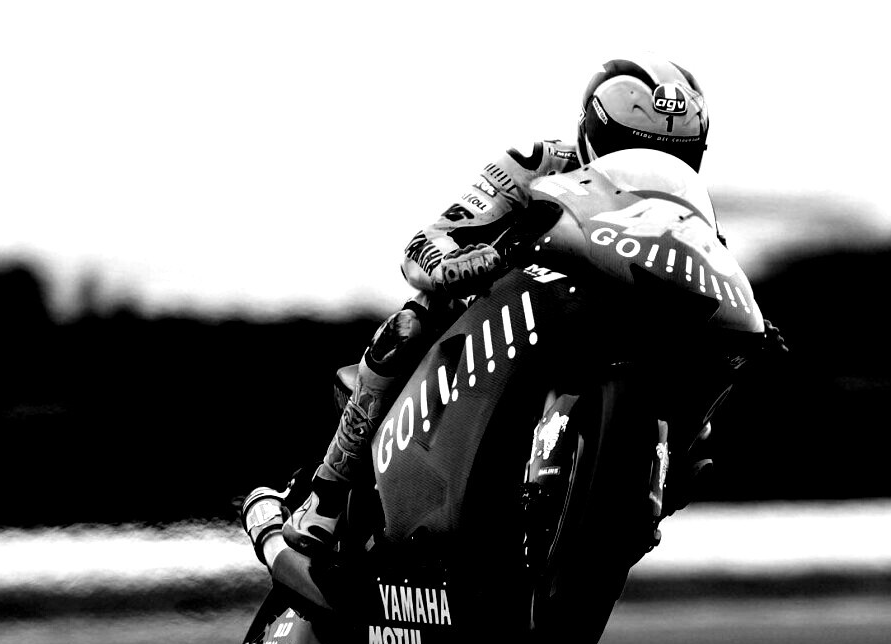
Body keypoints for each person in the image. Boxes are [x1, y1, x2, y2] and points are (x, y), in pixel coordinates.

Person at [244, 56, 723, 567]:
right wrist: (457, 262)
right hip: (507, 314)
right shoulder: (537, 163)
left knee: (702, 422)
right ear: (591, 134)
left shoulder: (690, 216)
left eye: (673, 154)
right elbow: (428, 241)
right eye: (631, 148)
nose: (649, 164)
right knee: (408, 326)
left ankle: (636, 508)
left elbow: (716, 282)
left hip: (617, 332)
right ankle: (326, 495)